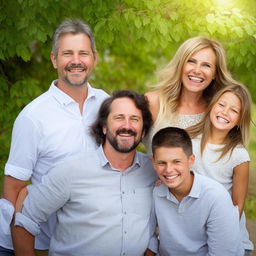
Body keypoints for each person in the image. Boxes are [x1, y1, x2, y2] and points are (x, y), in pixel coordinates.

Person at [0, 18, 109, 256]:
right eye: (67, 53)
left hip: (98, 240)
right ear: (54, 59)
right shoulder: (33, 117)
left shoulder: (107, 105)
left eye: (83, 53)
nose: (76, 61)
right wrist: (12, 248)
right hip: (44, 245)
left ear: (94, 58)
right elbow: (14, 187)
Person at [12, 90, 157, 256]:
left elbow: (153, 226)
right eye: (119, 118)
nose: (127, 126)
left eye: (134, 119)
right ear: (103, 127)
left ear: (143, 131)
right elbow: (26, 219)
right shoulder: (70, 171)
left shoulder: (152, 171)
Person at [145, 127, 243, 256]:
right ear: (153, 162)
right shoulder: (155, 192)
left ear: (191, 160)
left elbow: (223, 252)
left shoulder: (216, 197)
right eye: (162, 163)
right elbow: (150, 236)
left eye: (176, 162)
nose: (168, 170)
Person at [187, 83, 254, 255]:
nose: (224, 112)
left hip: (228, 239)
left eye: (234, 110)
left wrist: (221, 236)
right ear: (212, 106)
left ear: (239, 119)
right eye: (221, 105)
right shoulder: (188, 140)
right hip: (192, 235)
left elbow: (237, 205)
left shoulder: (238, 156)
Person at [143, 36, 236, 154]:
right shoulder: (153, 102)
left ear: (215, 74)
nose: (197, 70)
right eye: (191, 61)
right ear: (180, 65)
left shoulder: (218, 112)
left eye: (206, 65)